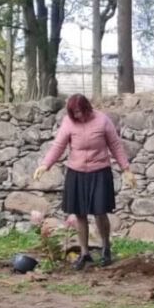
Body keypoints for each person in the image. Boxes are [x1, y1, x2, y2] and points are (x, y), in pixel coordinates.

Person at [33, 94, 136, 270]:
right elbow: (58, 145)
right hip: (76, 172)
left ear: (87, 108)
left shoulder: (102, 120)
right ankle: (84, 252)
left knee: (99, 212)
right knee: (79, 213)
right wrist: (45, 165)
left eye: (80, 111)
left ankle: (105, 248)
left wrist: (126, 169)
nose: (78, 115)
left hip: (99, 172)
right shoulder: (68, 122)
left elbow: (115, 145)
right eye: (74, 113)